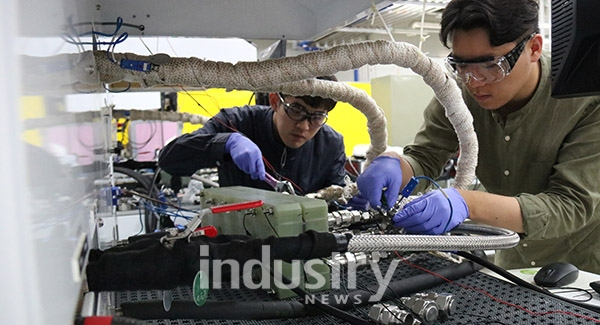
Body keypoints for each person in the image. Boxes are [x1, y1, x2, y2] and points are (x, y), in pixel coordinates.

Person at [356, 0, 600, 273]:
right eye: (461, 65)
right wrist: (393, 165)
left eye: (491, 65)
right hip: (513, 261)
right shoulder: (458, 91)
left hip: (583, 268)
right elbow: (426, 156)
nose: (474, 81)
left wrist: (467, 202)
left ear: (533, 48)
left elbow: (572, 206)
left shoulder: (585, 96)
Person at [158, 76, 347, 195]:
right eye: (296, 110)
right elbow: (169, 160)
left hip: (303, 245)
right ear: (274, 101)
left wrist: (352, 198)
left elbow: (337, 197)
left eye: (317, 116)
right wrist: (224, 143)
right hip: (238, 243)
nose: (304, 126)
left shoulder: (331, 144)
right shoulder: (235, 122)